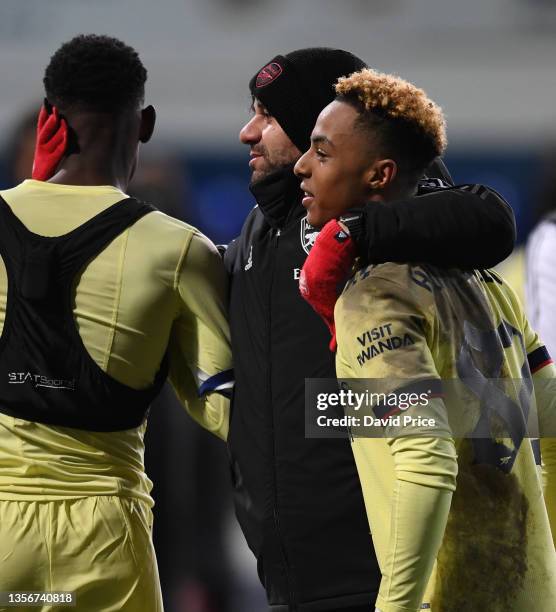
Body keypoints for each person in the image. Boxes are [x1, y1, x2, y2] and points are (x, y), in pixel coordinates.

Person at [224, 48, 517, 611]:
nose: (247, 132)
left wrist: (351, 231)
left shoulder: (395, 223)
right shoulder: (261, 229)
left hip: (382, 571)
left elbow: (486, 216)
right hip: (289, 575)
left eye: (268, 114)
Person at [297, 67, 556, 611]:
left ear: (378, 175)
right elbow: (553, 421)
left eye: (320, 153)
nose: (301, 166)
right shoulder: (484, 282)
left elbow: (426, 462)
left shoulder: (373, 298)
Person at [0, 34, 232, 611]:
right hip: (105, 536)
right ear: (145, 123)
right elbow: (225, 410)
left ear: (51, 119)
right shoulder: (181, 249)